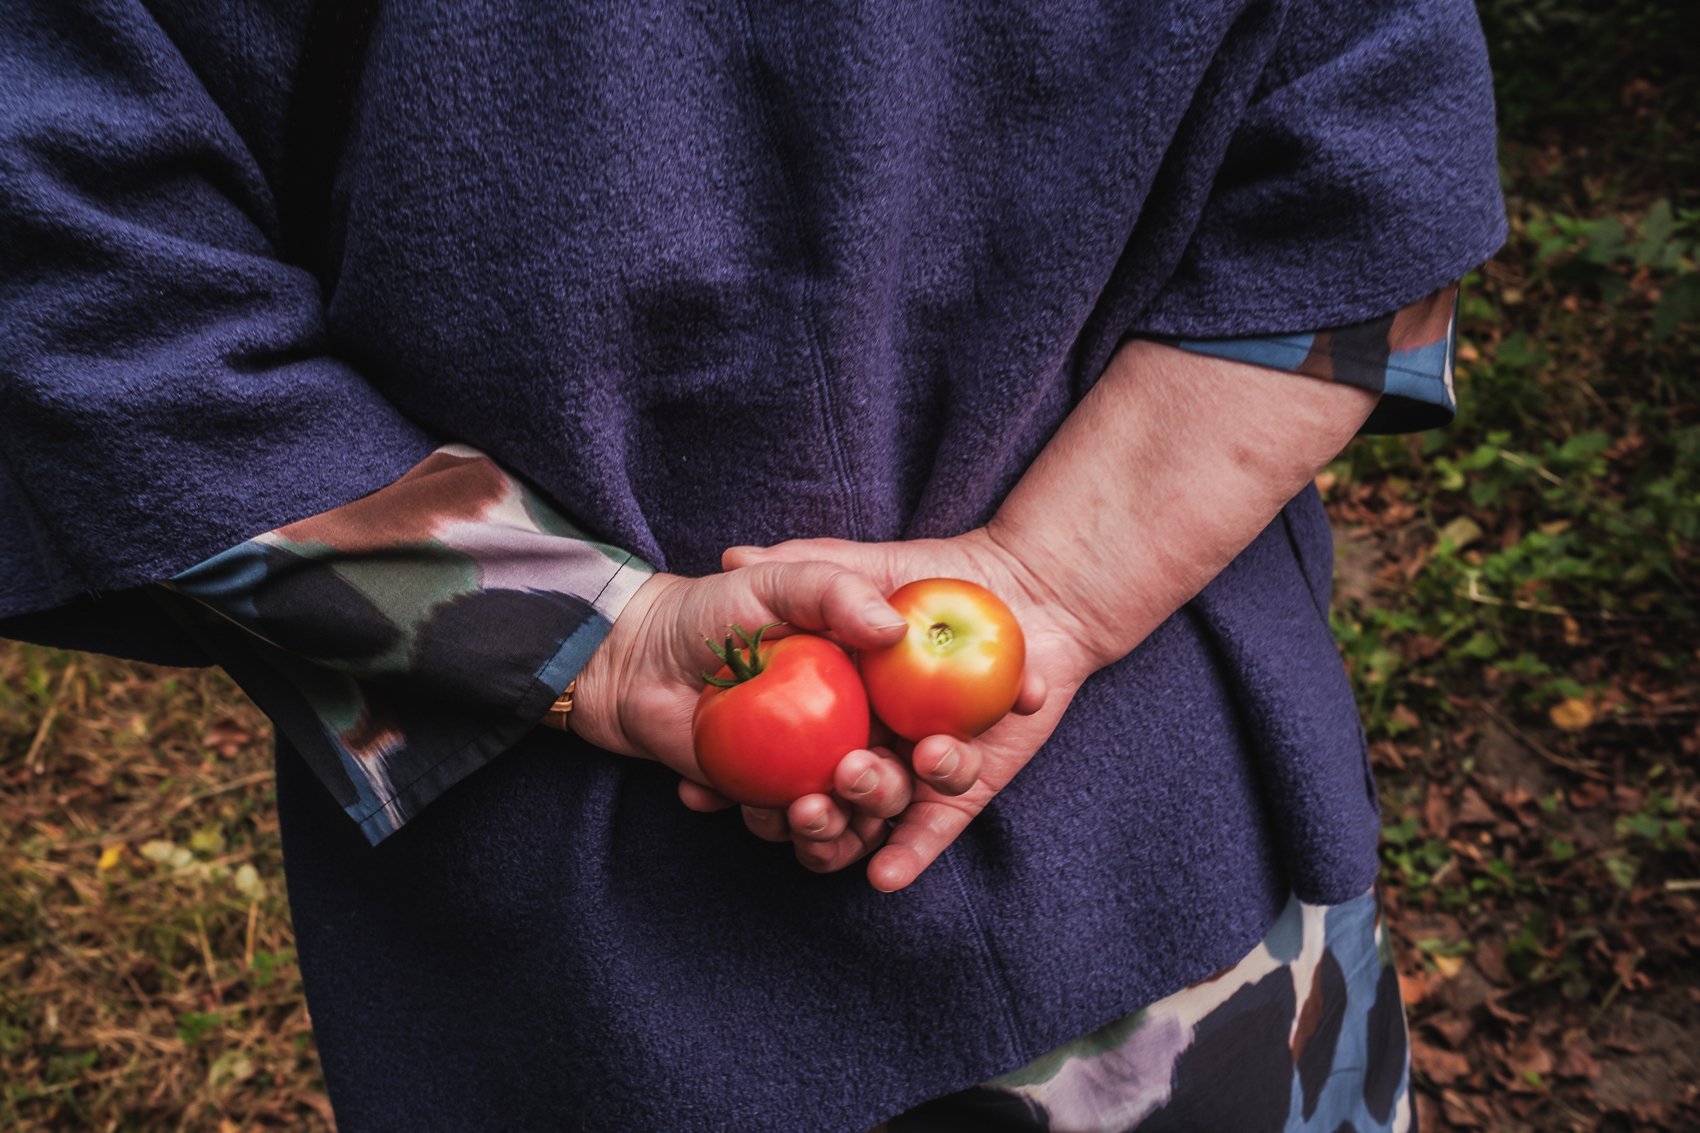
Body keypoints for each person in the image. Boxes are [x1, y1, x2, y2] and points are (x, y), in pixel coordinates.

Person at [0, 1, 1504, 1129]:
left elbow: (82, 298)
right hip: (1174, 878)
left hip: (601, 980)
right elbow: (1372, 172)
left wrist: (590, 632)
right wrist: (1044, 587)